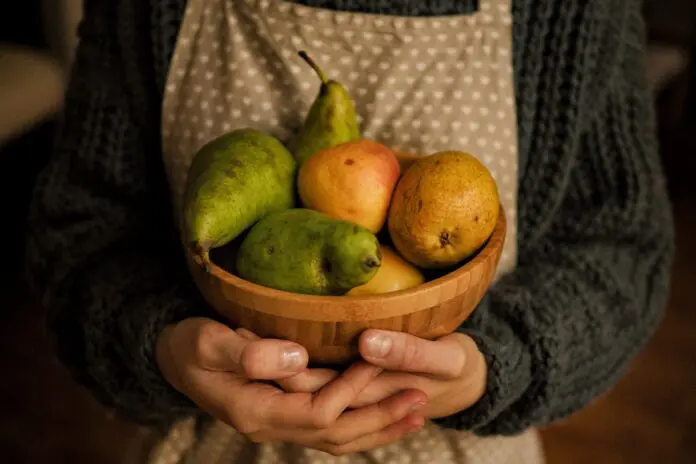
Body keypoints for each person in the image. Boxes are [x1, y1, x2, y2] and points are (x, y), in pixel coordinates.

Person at [24, 0, 675, 463]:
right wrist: (163, 348)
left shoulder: (573, 14)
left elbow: (622, 248)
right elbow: (82, 231)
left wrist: (493, 365)